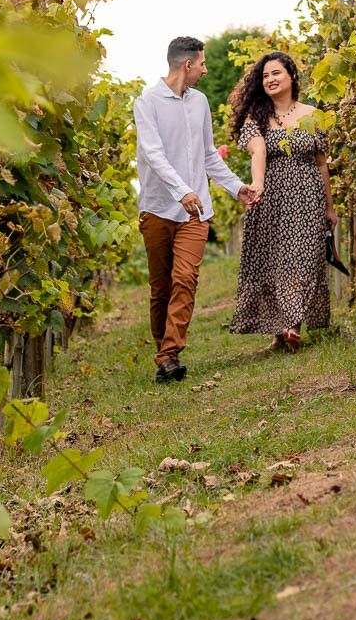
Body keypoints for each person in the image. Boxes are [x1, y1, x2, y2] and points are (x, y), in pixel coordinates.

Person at [134, 36, 256, 383]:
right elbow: (153, 155)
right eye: (201, 64)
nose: (205, 69)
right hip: (158, 208)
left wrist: (237, 188)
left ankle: (170, 354)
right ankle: (164, 353)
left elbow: (206, 155)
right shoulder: (147, 102)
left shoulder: (200, 102)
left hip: (195, 211)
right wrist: (181, 190)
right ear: (187, 65)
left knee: (185, 279)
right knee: (161, 288)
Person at [228, 51, 337, 352]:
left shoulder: (312, 114)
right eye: (265, 76)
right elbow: (256, 153)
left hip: (307, 198)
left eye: (276, 73)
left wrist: (329, 206)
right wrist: (258, 184)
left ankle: (292, 326)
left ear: (291, 76)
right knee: (274, 264)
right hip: (271, 199)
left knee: (301, 261)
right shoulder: (256, 117)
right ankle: (280, 332)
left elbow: (321, 163)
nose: (270, 79)